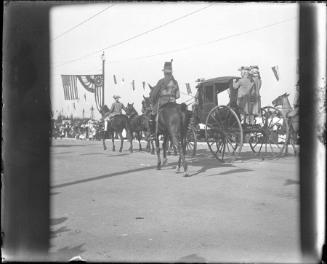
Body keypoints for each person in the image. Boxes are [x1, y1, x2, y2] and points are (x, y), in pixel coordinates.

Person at [149, 60, 180, 137]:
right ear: (171, 72)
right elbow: (178, 95)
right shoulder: (175, 82)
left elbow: (154, 94)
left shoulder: (161, 81)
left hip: (162, 102)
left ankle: (153, 133)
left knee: (153, 113)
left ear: (164, 72)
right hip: (173, 102)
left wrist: (153, 100)